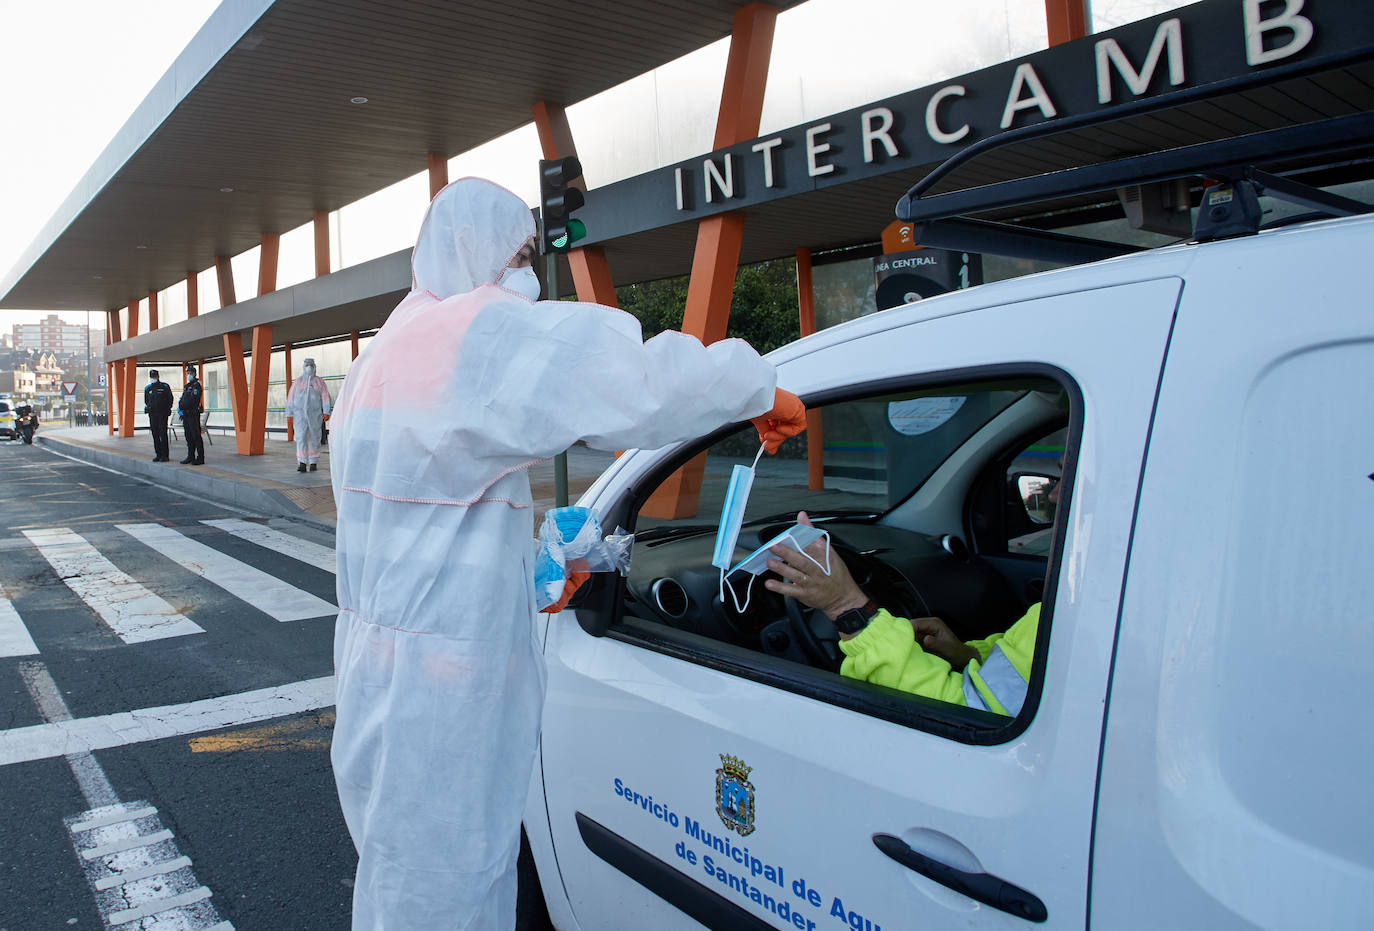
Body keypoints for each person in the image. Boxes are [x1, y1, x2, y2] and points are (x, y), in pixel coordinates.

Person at [328, 177, 807, 931]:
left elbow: (426, 526)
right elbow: (631, 383)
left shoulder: (380, 359)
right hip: (446, 695)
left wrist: (526, 574)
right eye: (518, 252)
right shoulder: (469, 336)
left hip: (379, 676)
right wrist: (754, 385)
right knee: (449, 895)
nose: (527, 270)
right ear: (473, 251)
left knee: (399, 878)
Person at [764, 469, 1065, 716]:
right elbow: (1025, 674)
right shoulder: (1086, 603)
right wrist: (968, 655)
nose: (1054, 493)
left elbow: (968, 717)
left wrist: (846, 606)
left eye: (1070, 473)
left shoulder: (1082, 613)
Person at [285, 357, 332, 472]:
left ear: (314, 367)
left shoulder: (319, 382)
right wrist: (289, 413)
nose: (309, 367)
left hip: (315, 415)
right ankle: (302, 461)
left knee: (314, 438)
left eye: (311, 365)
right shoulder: (298, 382)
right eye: (307, 365)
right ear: (304, 367)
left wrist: (326, 411)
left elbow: (325, 397)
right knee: (301, 438)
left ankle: (313, 462)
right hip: (299, 415)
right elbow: (290, 398)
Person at [144, 370, 174, 462]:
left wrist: (167, 408)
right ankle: (158, 454)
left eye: (154, 376)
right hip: (153, 414)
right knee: (155, 434)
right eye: (152, 376)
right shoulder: (148, 388)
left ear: (158, 376)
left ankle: (165, 455)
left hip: (162, 414)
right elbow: (146, 400)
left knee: (163, 434)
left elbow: (170, 399)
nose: (153, 378)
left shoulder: (164, 386)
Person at [177, 365, 204, 465]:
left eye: (190, 373)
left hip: (193, 414)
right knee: (188, 436)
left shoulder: (196, 385)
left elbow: (193, 400)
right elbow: (182, 400)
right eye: (187, 373)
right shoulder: (187, 386)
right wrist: (181, 406)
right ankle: (190, 456)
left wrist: (184, 405)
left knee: (196, 436)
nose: (189, 375)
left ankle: (200, 457)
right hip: (186, 415)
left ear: (194, 373)